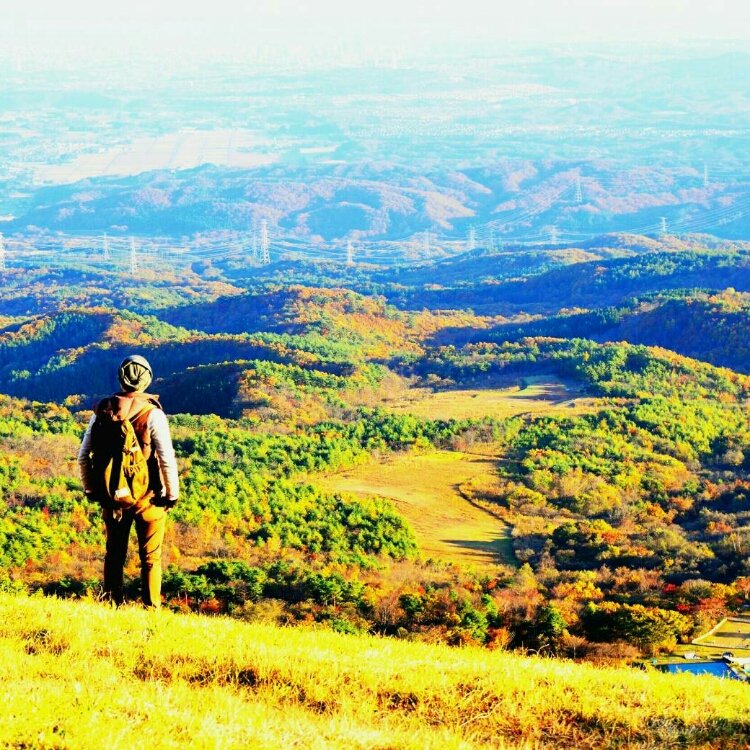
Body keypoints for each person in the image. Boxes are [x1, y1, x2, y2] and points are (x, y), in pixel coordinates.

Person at [77, 355, 179, 608]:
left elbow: (83, 456)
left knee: (114, 554)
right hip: (148, 498)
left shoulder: (102, 413)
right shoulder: (153, 415)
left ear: (121, 379)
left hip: (113, 497)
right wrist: (171, 494)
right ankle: (151, 609)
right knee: (151, 558)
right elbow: (166, 458)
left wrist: (91, 489)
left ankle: (113, 604)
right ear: (148, 380)